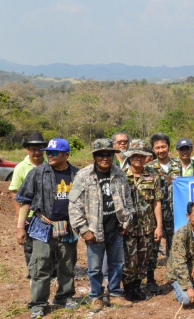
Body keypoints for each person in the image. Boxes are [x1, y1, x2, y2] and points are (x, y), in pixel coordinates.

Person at [14, 138, 79, 319]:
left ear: (66, 155)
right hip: (42, 226)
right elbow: (25, 201)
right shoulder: (37, 173)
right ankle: (38, 304)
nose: (49, 155)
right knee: (40, 266)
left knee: (67, 263)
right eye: (48, 152)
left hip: (68, 227)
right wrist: (20, 227)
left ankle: (64, 296)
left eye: (54, 153)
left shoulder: (77, 174)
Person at [68, 139, 134, 312]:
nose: (105, 158)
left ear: (113, 155)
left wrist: (127, 221)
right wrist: (83, 230)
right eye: (101, 155)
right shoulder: (83, 175)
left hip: (116, 228)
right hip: (94, 230)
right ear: (95, 156)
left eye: (108, 154)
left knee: (117, 263)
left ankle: (114, 293)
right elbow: (74, 205)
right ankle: (96, 296)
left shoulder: (119, 174)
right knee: (95, 268)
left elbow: (128, 200)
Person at [122, 145, 163, 302]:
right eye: (134, 156)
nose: (138, 159)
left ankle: (137, 288)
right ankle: (128, 290)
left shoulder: (153, 176)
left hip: (147, 227)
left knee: (143, 259)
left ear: (146, 158)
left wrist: (159, 226)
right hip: (128, 228)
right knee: (129, 261)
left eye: (141, 156)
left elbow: (156, 202)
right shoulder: (121, 175)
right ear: (129, 157)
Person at [8, 132, 51, 276]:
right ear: (27, 150)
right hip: (29, 214)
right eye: (34, 149)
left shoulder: (49, 165)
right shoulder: (21, 167)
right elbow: (14, 192)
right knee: (29, 245)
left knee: (49, 244)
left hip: (47, 215)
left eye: (40, 149)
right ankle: (33, 273)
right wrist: (19, 215)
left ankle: (51, 272)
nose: (37, 152)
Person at [146, 133, 182, 295]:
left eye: (163, 146)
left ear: (168, 147)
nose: (161, 150)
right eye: (157, 147)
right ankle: (150, 280)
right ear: (153, 149)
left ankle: (175, 278)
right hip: (156, 215)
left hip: (176, 214)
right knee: (153, 248)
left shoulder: (177, 165)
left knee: (175, 247)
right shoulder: (149, 167)